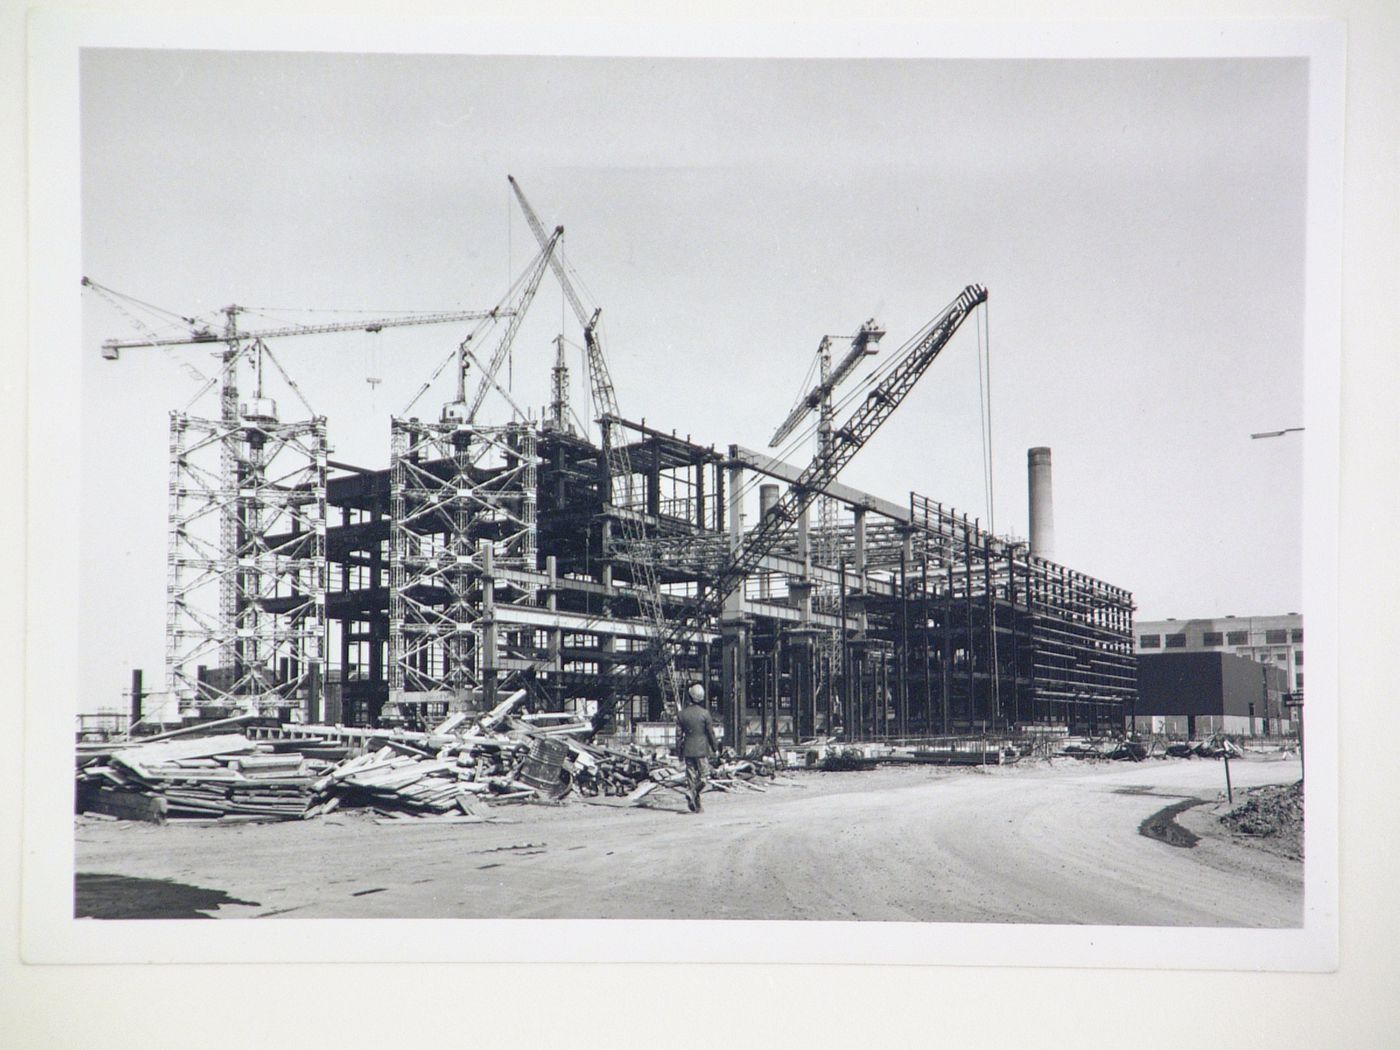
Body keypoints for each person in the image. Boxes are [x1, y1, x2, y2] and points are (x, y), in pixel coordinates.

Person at [675, 683, 719, 813]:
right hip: (701, 750)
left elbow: (678, 736)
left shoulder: (682, 714)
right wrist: (715, 748)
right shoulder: (705, 714)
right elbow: (711, 733)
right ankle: (692, 792)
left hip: (688, 750)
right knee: (705, 776)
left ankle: (697, 805)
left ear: (689, 696)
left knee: (691, 777)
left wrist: (679, 752)